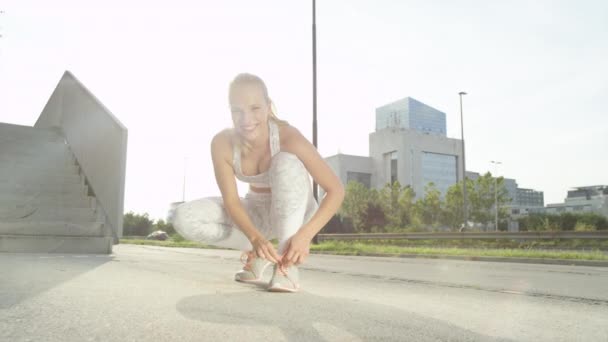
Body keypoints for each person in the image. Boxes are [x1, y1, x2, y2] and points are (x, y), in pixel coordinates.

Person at [172, 73, 345, 292]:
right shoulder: (222, 143)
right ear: (230, 111)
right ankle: (261, 256)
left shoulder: (288, 137)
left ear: (268, 107)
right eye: (237, 110)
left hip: (296, 214)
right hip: (257, 213)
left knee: (285, 161)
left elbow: (336, 190)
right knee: (184, 217)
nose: (246, 120)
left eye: (255, 108)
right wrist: (255, 239)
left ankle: (286, 267)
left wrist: (305, 235)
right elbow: (232, 202)